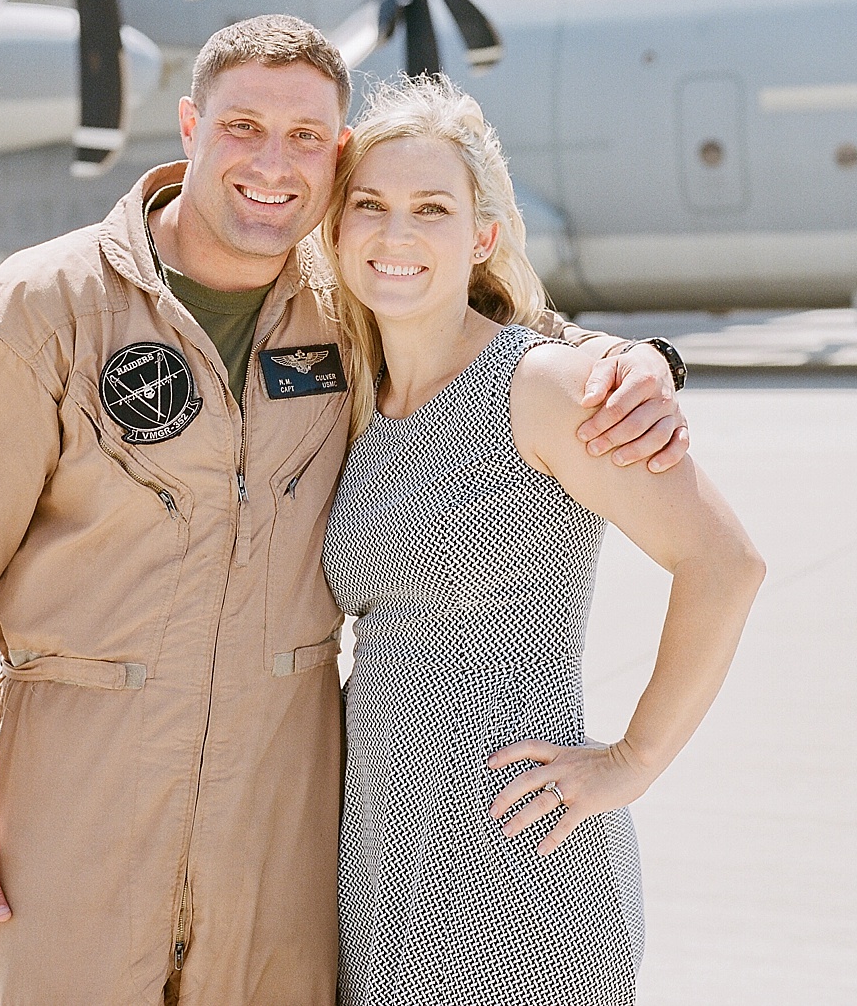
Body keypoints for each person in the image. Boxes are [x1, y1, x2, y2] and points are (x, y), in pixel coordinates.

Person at [0, 16, 691, 1006]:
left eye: (306, 137)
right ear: (189, 125)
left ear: (336, 153)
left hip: (283, 801)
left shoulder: (340, 306)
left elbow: (492, 338)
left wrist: (638, 359)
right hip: (75, 777)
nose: (272, 160)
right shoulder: (43, 309)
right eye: (243, 125)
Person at [318, 74, 766, 1006]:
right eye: (372, 205)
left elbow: (725, 565)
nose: (397, 234)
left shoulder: (541, 388)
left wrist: (631, 762)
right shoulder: (361, 398)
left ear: (481, 236)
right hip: (382, 876)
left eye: (430, 208)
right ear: (338, 228)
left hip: (520, 873)